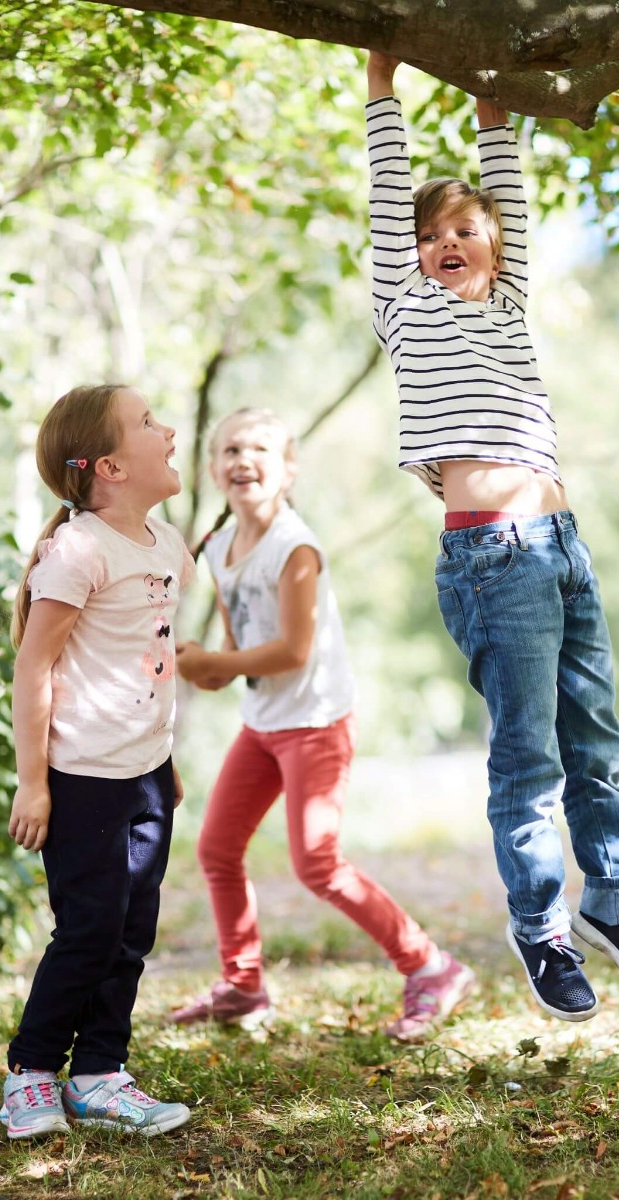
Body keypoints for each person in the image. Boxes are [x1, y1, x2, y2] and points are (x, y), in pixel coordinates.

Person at [364, 52, 619, 1022]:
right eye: (432, 234)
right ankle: (541, 927)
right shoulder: (404, 306)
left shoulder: (508, 304)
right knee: (532, 764)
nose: (447, 241)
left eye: (466, 228)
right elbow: (387, 195)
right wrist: (382, 82)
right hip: (492, 559)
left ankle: (616, 905)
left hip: (562, 545)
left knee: (599, 746)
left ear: (496, 249)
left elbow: (509, 187)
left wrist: (488, 96)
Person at [168, 407, 475, 1042]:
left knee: (317, 862)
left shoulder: (295, 545)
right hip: (263, 722)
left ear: (288, 470)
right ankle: (244, 984)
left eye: (258, 447)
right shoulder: (221, 548)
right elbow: (241, 644)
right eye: (228, 449)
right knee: (217, 848)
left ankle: (432, 967)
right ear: (212, 467)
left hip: (315, 723)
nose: (241, 459)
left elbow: (292, 651)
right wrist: (210, 668)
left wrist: (216, 661)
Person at [1, 384, 195, 1140]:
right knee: (88, 928)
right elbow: (33, 667)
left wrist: (164, 760)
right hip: (82, 777)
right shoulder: (79, 547)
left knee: (131, 929)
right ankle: (31, 1072)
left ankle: (100, 1074)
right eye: (151, 422)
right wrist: (33, 781)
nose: (169, 430)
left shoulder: (166, 544)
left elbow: (152, 655)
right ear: (109, 466)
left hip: (144, 773)